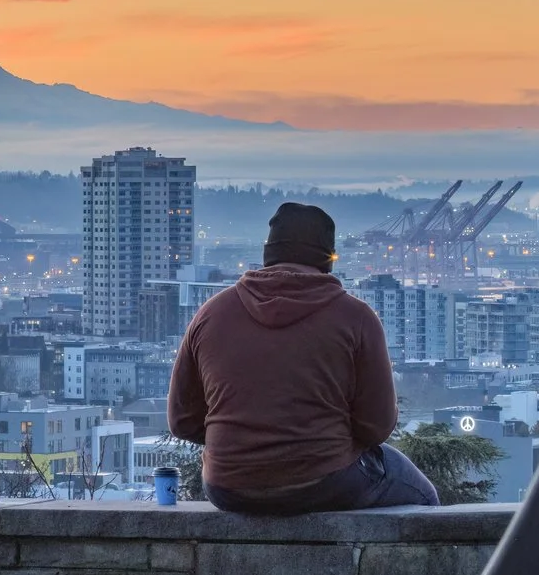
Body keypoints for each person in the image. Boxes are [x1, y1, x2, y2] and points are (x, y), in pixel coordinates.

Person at [165, 202, 438, 514]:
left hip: (227, 487)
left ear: (269, 253)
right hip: (326, 481)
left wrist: (242, 446)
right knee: (424, 500)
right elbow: (376, 427)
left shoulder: (211, 313)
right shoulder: (355, 317)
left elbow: (182, 422)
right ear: (327, 258)